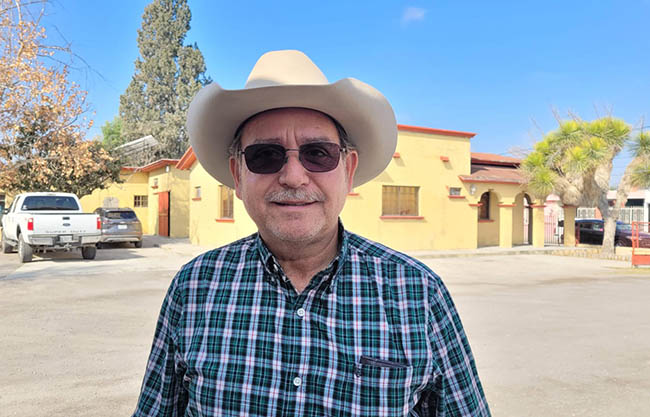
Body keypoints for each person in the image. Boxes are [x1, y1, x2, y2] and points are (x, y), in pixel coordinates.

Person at [133, 50, 490, 416]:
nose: (293, 177)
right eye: (265, 155)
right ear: (238, 175)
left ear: (348, 170)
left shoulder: (418, 292)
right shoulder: (194, 287)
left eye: (318, 153)